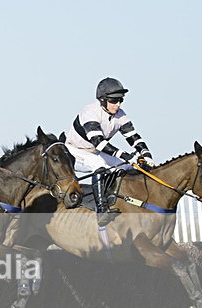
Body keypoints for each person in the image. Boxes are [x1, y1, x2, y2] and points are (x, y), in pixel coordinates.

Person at [65, 77, 155, 226]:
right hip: (74, 151)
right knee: (99, 166)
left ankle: (118, 200)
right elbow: (99, 143)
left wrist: (146, 153)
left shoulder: (120, 114)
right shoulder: (90, 112)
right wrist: (126, 155)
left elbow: (133, 137)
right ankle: (101, 211)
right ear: (102, 100)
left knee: (127, 167)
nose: (117, 104)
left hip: (94, 151)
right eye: (113, 101)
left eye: (120, 100)